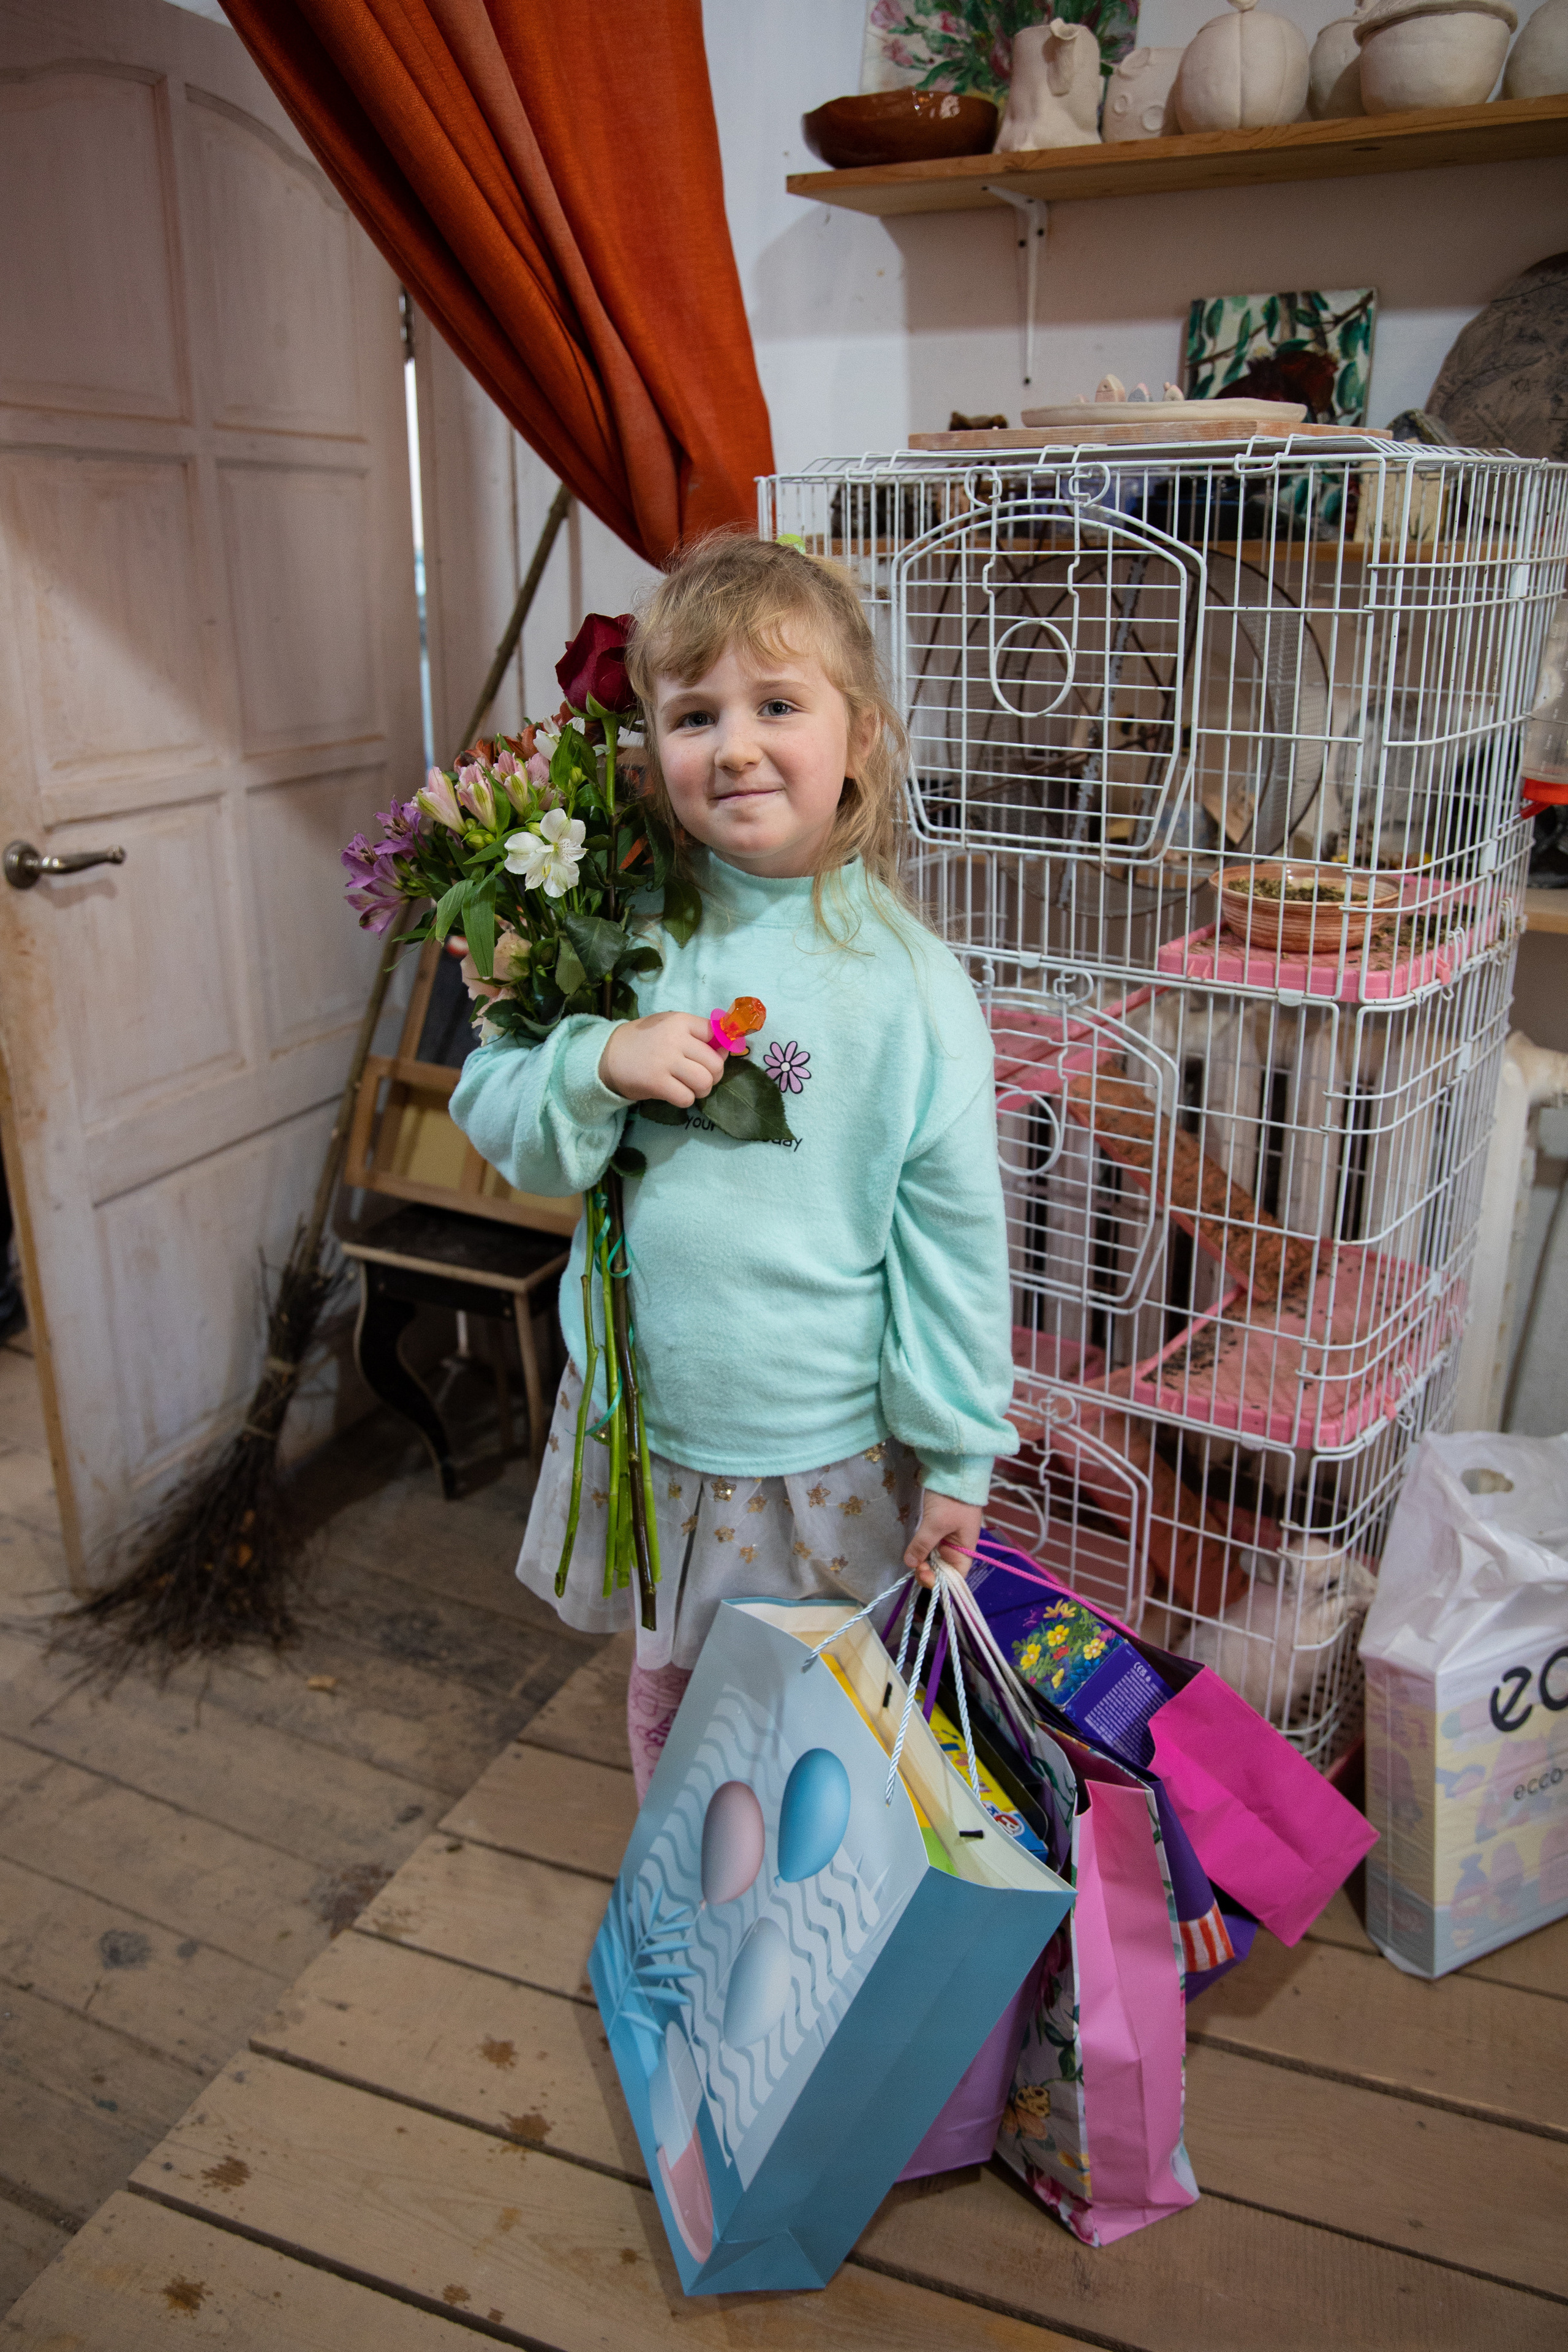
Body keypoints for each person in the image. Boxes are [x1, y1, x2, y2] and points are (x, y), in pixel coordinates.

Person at [450, 535, 1016, 1797]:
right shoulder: (613, 935)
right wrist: (596, 1059)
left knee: (815, 1738)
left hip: (820, 1458)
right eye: (694, 714)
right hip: (649, 1432)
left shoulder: (912, 990)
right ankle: (690, 1927)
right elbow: (499, 1112)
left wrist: (960, 1456)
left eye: (776, 705)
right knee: (671, 1706)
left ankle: (806, 1969)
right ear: (651, 747)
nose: (737, 746)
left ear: (859, 735)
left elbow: (954, 1248)